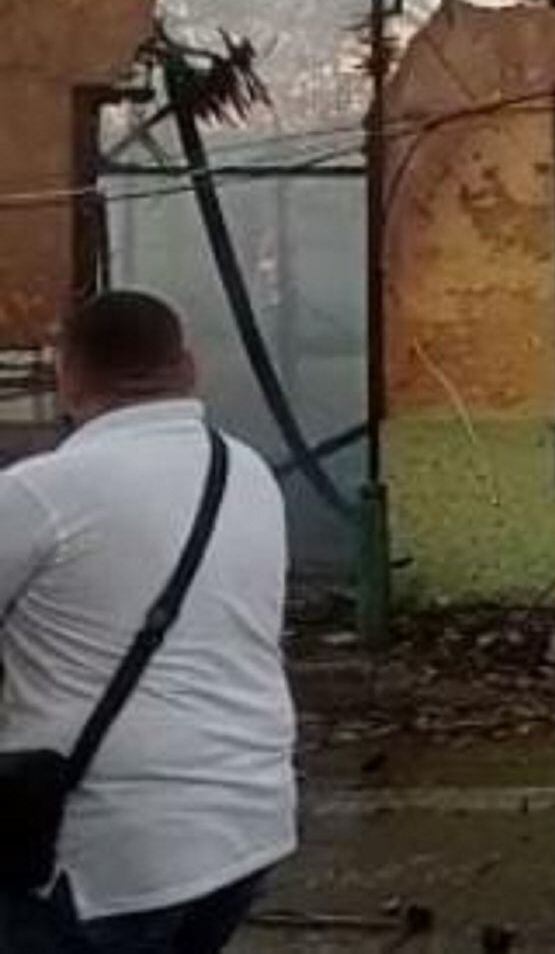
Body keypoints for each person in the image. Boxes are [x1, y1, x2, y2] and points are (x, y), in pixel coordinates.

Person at [0, 292, 293, 951]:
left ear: (66, 374)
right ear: (189, 367)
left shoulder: (40, 492)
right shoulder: (246, 471)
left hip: (107, 853)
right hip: (248, 824)